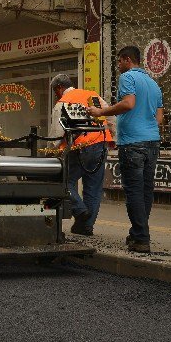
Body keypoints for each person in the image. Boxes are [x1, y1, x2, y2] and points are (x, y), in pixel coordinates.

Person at [88, 46, 163, 253]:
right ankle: (138, 233)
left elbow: (128, 104)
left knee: (134, 192)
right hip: (152, 143)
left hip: (132, 144)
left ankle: (141, 238)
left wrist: (100, 111)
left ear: (127, 60)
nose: (118, 65)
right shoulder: (154, 84)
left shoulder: (128, 78)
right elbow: (159, 119)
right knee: (146, 191)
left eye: (119, 61)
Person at [51, 74, 113, 236]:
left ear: (59, 88)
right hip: (100, 144)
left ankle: (79, 210)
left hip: (79, 148)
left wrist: (51, 151)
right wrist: (114, 138)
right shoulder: (93, 96)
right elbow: (110, 116)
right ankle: (85, 227)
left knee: (63, 181)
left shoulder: (62, 103)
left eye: (55, 91)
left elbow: (57, 135)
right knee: (93, 188)